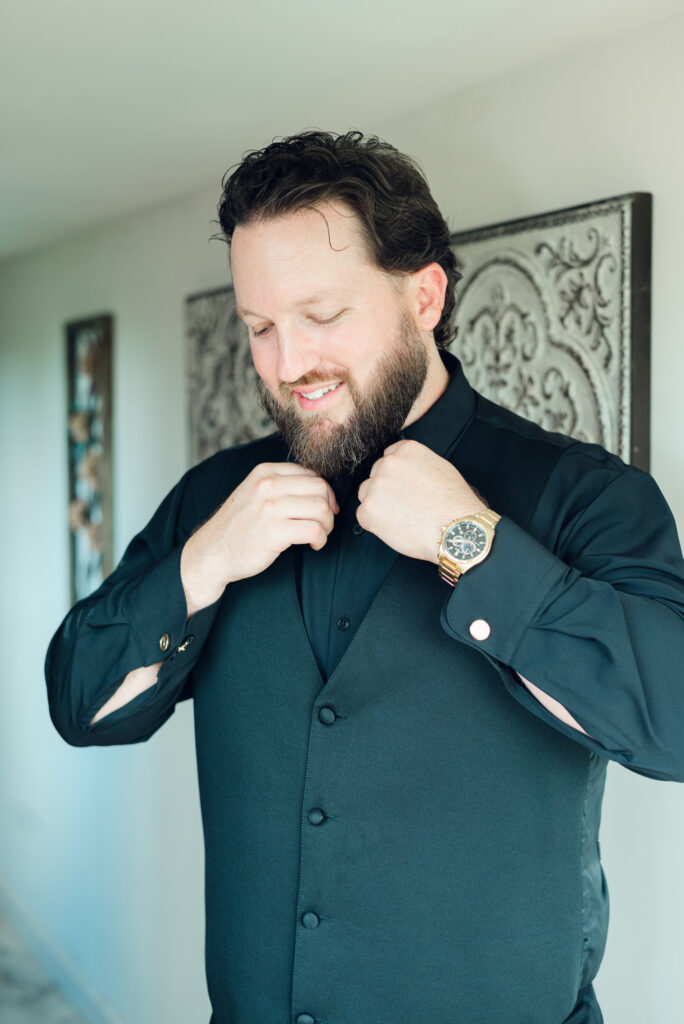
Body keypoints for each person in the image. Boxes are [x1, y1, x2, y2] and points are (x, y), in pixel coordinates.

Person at [46, 130, 684, 1024]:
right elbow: (80, 702)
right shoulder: (215, 501)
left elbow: (673, 724)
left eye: (323, 315)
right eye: (260, 327)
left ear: (424, 295)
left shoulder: (587, 494)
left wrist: (471, 542)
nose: (286, 362)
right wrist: (204, 563)